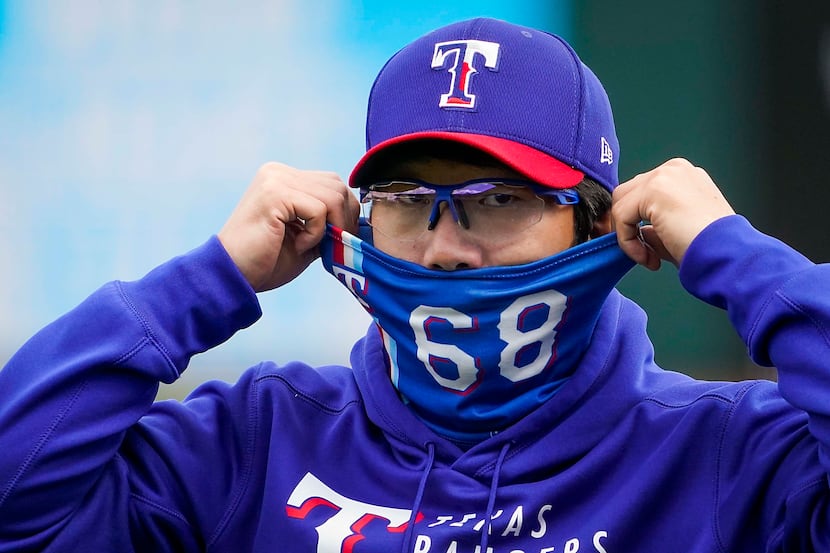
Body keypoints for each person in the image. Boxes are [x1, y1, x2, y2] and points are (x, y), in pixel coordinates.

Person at [0, 16, 827, 553]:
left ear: (598, 220)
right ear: (359, 221)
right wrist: (206, 278)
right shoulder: (255, 440)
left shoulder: (727, 455)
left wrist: (736, 257)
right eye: (406, 201)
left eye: (498, 200)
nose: (444, 251)